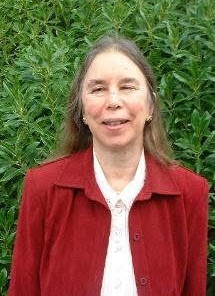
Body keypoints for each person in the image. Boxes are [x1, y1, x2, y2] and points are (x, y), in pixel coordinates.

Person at [8, 36, 209, 296]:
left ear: (150, 105)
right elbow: (23, 289)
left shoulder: (190, 193)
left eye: (127, 87)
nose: (113, 101)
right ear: (82, 109)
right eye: (98, 89)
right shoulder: (43, 187)